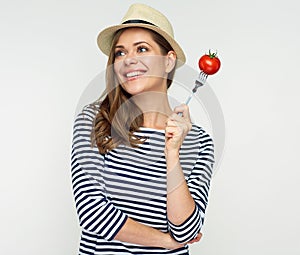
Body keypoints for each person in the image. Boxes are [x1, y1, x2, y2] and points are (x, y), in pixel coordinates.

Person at [71, 3, 214, 255]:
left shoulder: (199, 142)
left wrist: (172, 153)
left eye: (142, 49)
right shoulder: (94, 121)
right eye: (120, 53)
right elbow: (92, 212)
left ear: (168, 61)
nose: (129, 60)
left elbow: (187, 231)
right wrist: (166, 242)